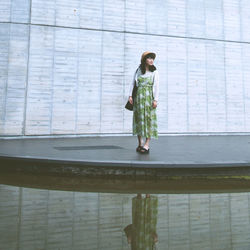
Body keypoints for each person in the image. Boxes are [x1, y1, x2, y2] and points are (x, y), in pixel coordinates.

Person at [128, 51, 159, 154]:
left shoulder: (154, 71)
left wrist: (155, 99)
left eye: (152, 58)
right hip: (138, 99)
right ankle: (140, 143)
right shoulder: (138, 70)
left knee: (149, 120)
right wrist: (130, 96)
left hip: (149, 99)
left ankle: (147, 144)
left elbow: (156, 86)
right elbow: (133, 83)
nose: (151, 60)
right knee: (139, 119)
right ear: (144, 60)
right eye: (149, 58)